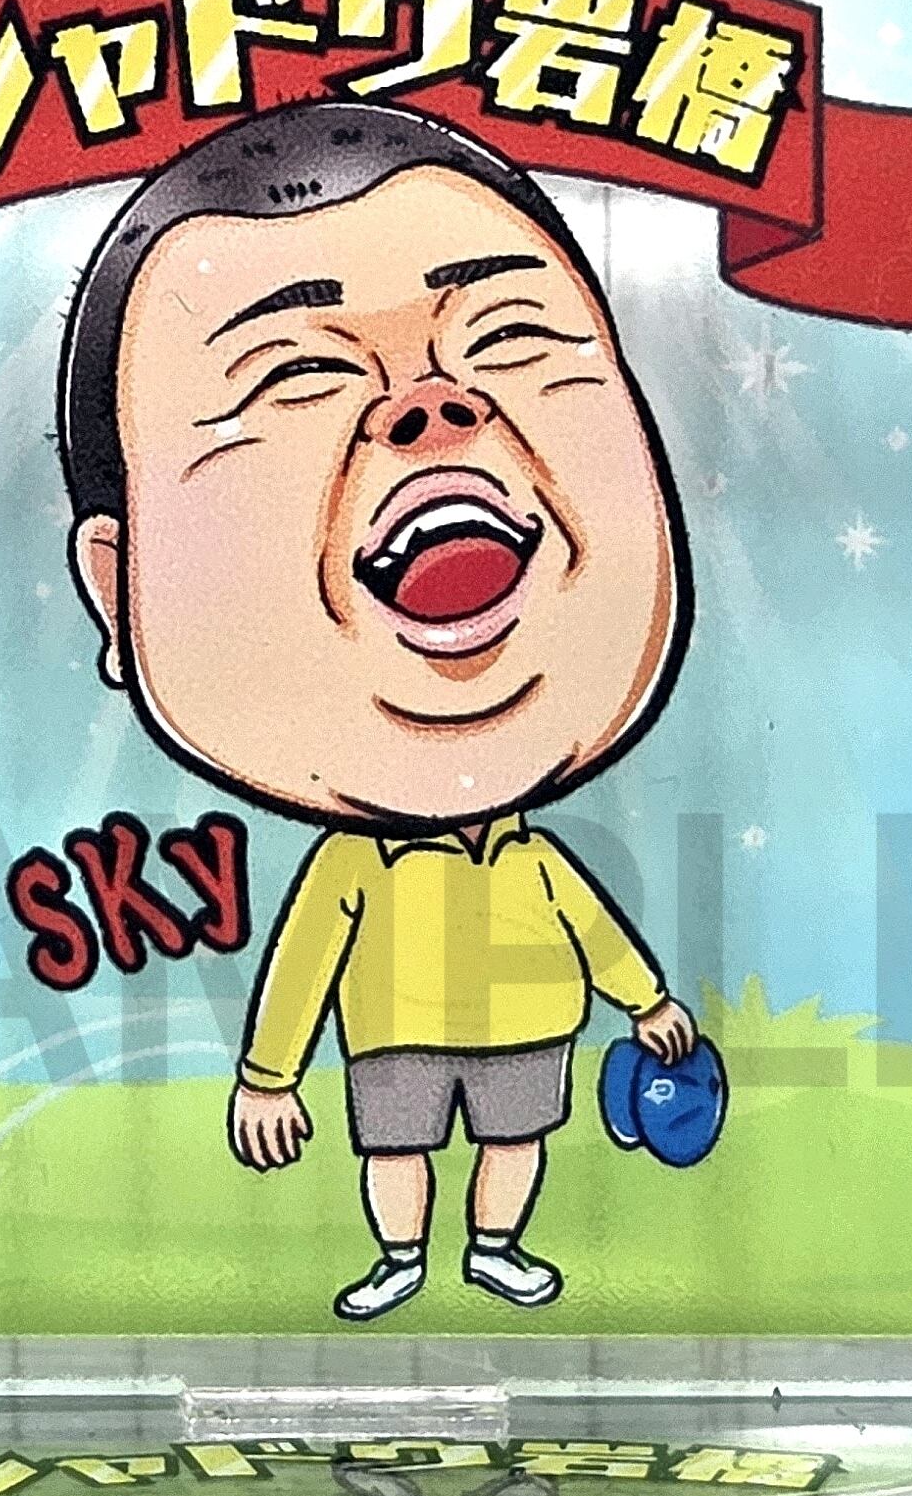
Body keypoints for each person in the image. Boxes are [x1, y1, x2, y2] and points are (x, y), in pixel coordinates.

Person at [56, 98, 699, 1319]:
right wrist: (268, 1074)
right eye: (295, 373)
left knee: (517, 1139)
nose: (431, 408)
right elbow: (304, 961)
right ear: (118, 587)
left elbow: (594, 927)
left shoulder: (533, 861)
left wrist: (650, 1001)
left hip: (530, 1022)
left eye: (509, 334)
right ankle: (403, 1255)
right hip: (391, 1034)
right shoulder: (355, 870)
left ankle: (493, 1245)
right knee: (395, 1147)